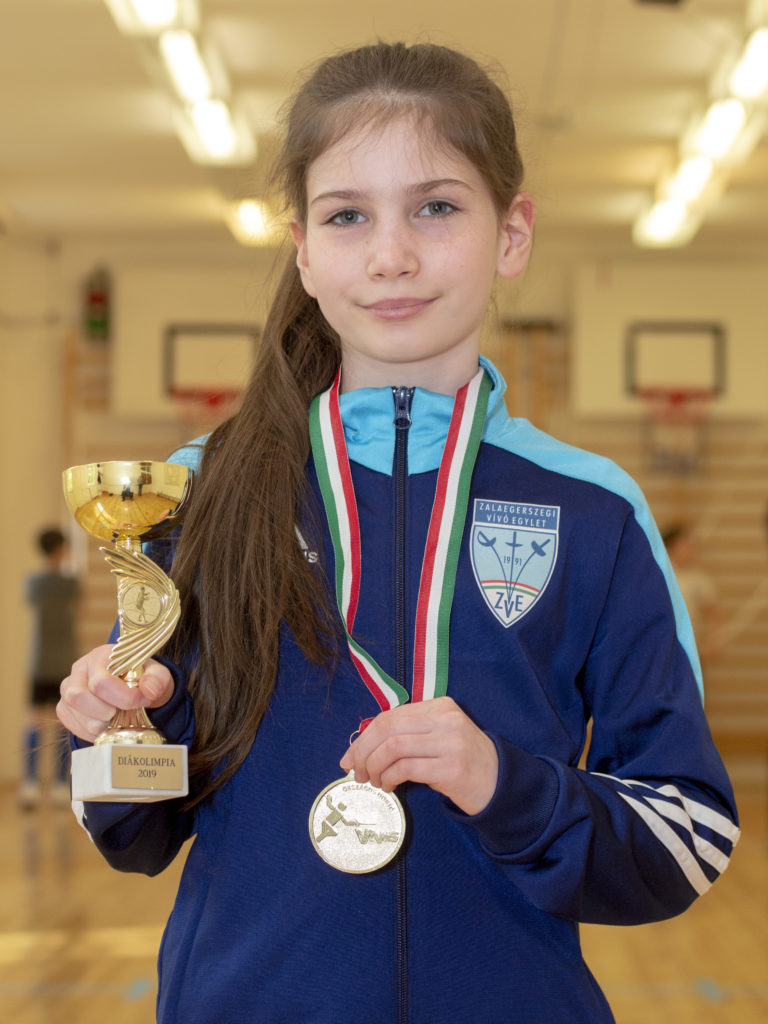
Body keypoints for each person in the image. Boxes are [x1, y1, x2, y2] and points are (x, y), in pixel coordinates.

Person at [57, 41, 739, 1024]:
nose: (391, 255)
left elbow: (688, 835)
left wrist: (504, 784)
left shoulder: (594, 508)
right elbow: (129, 835)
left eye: (437, 207)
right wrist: (119, 726)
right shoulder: (201, 490)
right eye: (348, 216)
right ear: (303, 249)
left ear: (512, 234)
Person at [20, 526, 80, 808]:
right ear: (59, 549)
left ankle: (31, 784)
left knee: (39, 720)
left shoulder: (33, 583)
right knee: (59, 723)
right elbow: (80, 609)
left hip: (40, 661)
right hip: (59, 660)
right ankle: (55, 784)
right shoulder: (70, 583)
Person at [663, 522, 721, 667]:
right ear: (671, 546)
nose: (690, 549)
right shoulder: (658, 576)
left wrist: (712, 642)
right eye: (685, 545)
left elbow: (714, 614)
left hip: (690, 650)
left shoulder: (699, 579)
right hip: (662, 649)